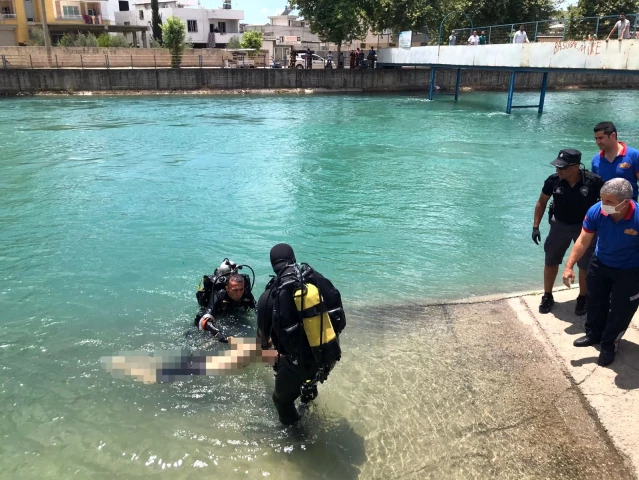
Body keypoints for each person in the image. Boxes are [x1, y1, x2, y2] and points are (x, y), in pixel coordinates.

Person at [257, 244, 346, 425]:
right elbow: (339, 319)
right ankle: (308, 396)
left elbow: (263, 342)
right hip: (329, 353)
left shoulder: (267, 297)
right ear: (293, 259)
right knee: (308, 376)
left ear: (273, 265)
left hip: (299, 364)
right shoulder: (317, 280)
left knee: (281, 400)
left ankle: (298, 439)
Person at [563, 178, 639, 367]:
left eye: (609, 202)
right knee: (595, 300)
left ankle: (609, 344)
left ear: (626, 201)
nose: (604, 205)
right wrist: (569, 266)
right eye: (602, 199)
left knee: (621, 310)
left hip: (630, 269)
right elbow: (583, 240)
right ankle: (594, 334)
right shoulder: (596, 210)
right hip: (601, 262)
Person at [533, 149, 603, 315]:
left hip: (585, 228)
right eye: (557, 166)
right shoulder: (553, 181)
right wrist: (535, 226)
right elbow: (541, 202)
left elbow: (606, 205)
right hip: (559, 225)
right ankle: (548, 295)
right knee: (551, 260)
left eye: (562, 167)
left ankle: (582, 297)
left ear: (575, 167)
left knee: (585, 264)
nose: (558, 170)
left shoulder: (594, 181)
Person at [194, 259, 256, 343]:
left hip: (235, 312)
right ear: (227, 289)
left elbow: (256, 308)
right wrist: (217, 334)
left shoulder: (245, 292)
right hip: (219, 312)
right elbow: (206, 318)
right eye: (235, 290)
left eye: (241, 289)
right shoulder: (219, 294)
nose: (239, 294)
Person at [591, 121, 639, 200]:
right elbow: (595, 187)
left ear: (613, 135)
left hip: (629, 206)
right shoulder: (596, 160)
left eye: (601, 138)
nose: (598, 142)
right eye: (596, 138)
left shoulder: (634, 155)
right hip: (605, 206)